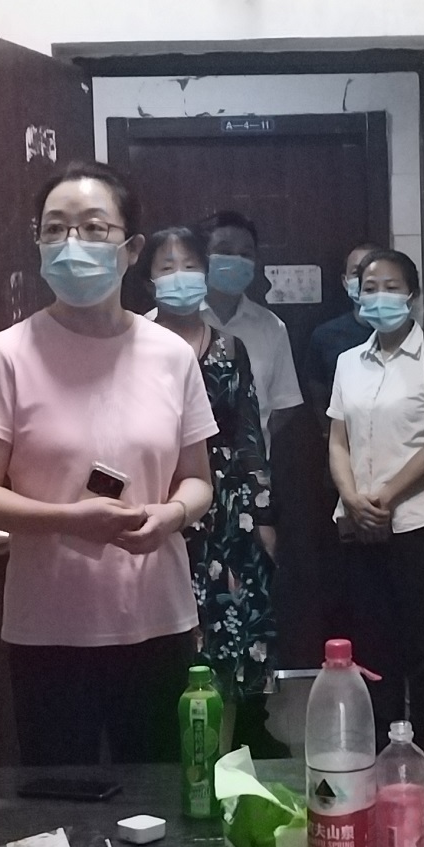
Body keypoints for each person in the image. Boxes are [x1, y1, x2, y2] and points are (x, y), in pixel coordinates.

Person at [0, 163, 216, 766]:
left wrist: (173, 515)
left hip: (158, 619)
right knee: (60, 800)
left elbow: (198, 479)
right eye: (55, 229)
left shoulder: (171, 355)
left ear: (132, 248)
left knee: (160, 796)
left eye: (94, 228)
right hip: (49, 628)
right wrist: (68, 519)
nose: (72, 244)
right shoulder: (7, 355)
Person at [141, 226, 280, 752]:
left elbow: (249, 432)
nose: (179, 277)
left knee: (228, 635)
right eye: (166, 267)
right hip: (159, 501)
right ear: (148, 279)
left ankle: (222, 760)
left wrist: (264, 515)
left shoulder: (230, 347)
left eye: (189, 266)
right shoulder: (135, 343)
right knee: (170, 641)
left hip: (227, 511)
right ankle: (168, 760)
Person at [327, 248, 424, 753]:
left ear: (413, 295)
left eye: (391, 287)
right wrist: (352, 499)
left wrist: (386, 496)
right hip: (357, 525)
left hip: (413, 523)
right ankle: (378, 755)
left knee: (421, 648)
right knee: (372, 647)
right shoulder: (348, 362)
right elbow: (338, 440)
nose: (379, 297)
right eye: (370, 287)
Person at [198, 210, 305, 449]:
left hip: (249, 466)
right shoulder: (163, 323)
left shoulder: (271, 327)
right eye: (225, 251)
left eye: (245, 254)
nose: (236, 259)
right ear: (201, 257)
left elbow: (283, 405)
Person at [304, 241, 382, 421]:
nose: (365, 278)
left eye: (373, 271)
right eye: (357, 272)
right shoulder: (325, 335)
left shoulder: (404, 335)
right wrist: (329, 431)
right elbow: (317, 394)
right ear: (345, 282)